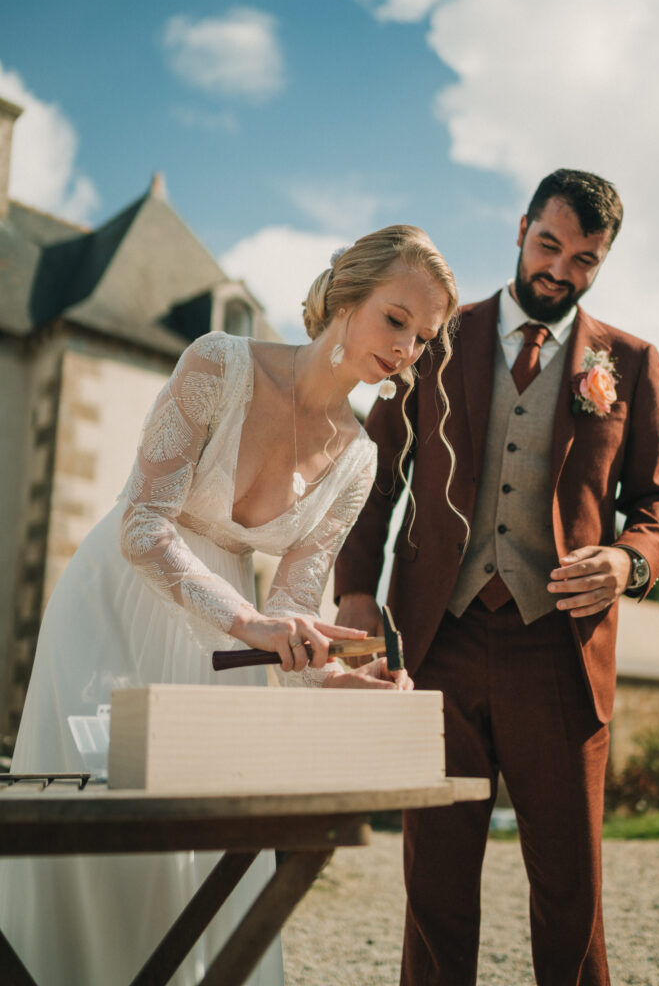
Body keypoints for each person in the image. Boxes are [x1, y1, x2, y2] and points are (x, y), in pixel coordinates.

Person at [0, 224, 460, 986]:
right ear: (347, 296)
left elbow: (291, 609)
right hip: (112, 605)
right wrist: (249, 621)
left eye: (425, 337)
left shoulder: (360, 458)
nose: (408, 347)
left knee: (201, 854)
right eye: (397, 319)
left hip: (218, 653)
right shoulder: (219, 360)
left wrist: (348, 683)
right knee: (94, 847)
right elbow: (143, 522)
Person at [335, 171, 659, 986]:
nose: (560, 271)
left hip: (559, 653)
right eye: (549, 246)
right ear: (522, 227)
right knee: (437, 887)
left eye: (585, 260)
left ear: (603, 260)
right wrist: (357, 588)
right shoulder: (435, 336)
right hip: (438, 641)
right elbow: (373, 473)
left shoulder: (629, 363)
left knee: (571, 892)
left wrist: (628, 559)